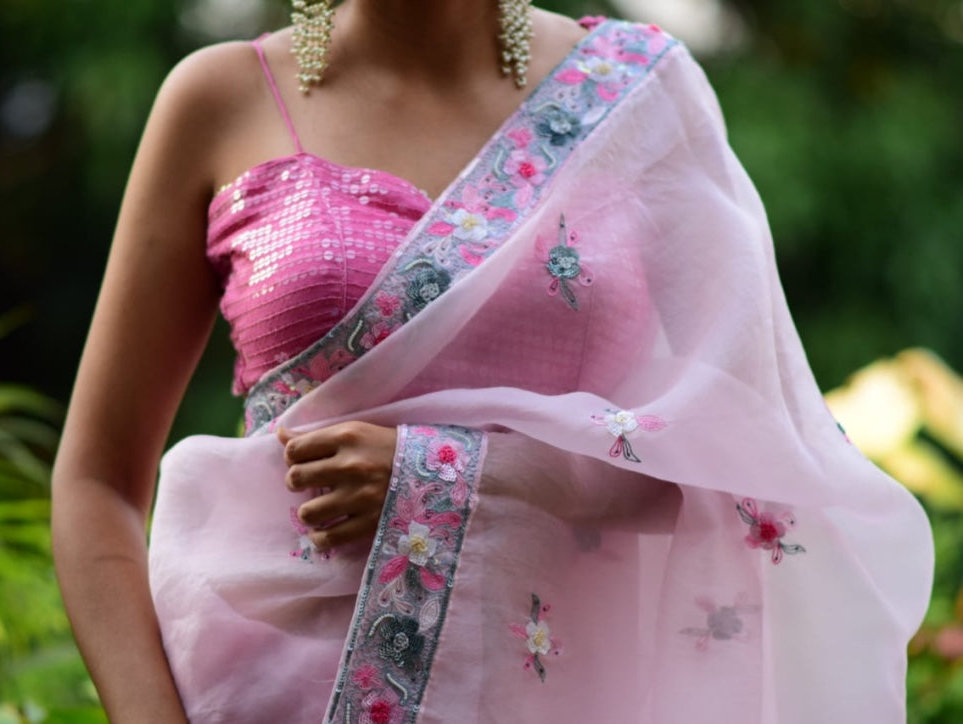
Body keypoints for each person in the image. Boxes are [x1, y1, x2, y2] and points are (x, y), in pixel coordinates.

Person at [51, 2, 933, 722]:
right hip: (262, 693)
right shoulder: (218, 98)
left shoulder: (631, 97)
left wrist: (457, 474)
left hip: (563, 686)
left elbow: (748, 459)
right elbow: (95, 484)